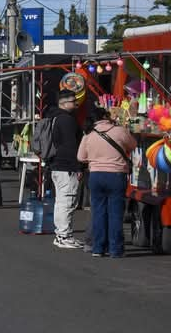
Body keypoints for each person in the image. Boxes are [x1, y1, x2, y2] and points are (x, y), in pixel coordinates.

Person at [78, 108, 136, 258]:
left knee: (98, 212)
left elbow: (80, 157)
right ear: (106, 117)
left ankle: (98, 248)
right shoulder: (120, 131)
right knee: (115, 213)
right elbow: (133, 145)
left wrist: (95, 158)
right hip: (116, 176)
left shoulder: (89, 134)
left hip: (96, 175)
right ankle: (115, 249)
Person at [45, 89, 84, 249]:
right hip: (67, 167)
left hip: (57, 165)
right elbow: (70, 145)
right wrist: (78, 166)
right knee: (67, 201)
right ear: (64, 103)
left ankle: (61, 234)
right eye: (73, 101)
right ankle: (64, 235)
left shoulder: (53, 117)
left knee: (61, 202)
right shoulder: (67, 120)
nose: (76, 104)